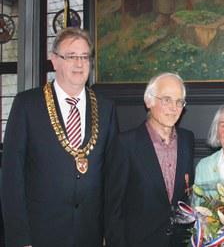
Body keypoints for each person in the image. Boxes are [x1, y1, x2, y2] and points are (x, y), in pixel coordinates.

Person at [0, 27, 118, 247]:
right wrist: (19, 239)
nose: (79, 64)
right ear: (54, 60)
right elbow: (11, 179)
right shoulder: (27, 105)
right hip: (40, 235)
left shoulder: (106, 108)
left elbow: (112, 179)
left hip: (90, 235)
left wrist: (109, 235)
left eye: (85, 57)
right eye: (71, 56)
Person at [105, 72, 195, 246]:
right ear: (149, 101)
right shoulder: (125, 144)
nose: (174, 107)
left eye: (179, 102)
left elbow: (185, 196)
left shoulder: (187, 140)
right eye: (166, 100)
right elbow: (112, 210)